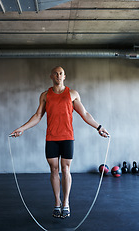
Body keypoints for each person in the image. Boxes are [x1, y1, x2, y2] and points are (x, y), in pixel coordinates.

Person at [10, 66, 109, 219]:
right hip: (51, 138)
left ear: (64, 76)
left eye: (61, 73)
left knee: (66, 169)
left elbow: (85, 114)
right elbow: (37, 116)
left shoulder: (72, 94)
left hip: (67, 137)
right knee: (54, 170)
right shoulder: (45, 95)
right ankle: (57, 203)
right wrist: (22, 128)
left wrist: (99, 127)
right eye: (55, 73)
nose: (58, 75)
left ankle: (66, 203)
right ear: (51, 76)